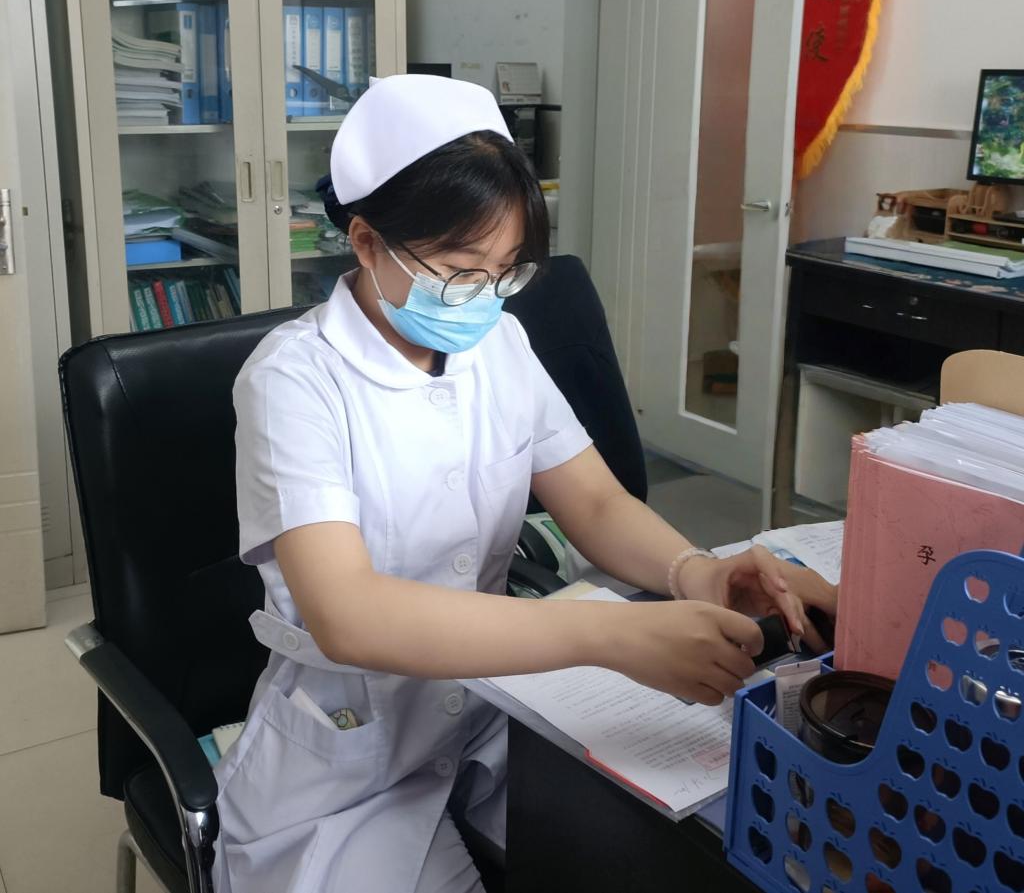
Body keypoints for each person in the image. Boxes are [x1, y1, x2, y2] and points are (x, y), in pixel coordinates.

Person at [211, 75, 837, 893]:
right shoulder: (294, 381)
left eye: (505, 271)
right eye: (459, 270)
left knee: (655, 857)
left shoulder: (498, 344)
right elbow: (349, 612)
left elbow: (597, 501)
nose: (483, 297)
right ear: (366, 242)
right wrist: (608, 634)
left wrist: (699, 572)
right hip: (349, 759)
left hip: (496, 710)